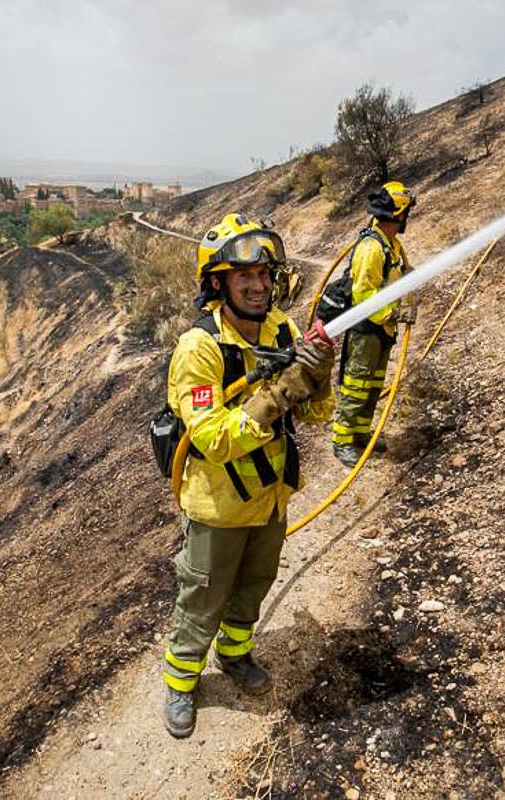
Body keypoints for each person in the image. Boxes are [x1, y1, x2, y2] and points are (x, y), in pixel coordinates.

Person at [162, 213, 335, 738]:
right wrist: (285, 389)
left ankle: (235, 655)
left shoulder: (282, 328)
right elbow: (213, 440)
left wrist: (319, 376)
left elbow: (315, 415)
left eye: (264, 274)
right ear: (218, 283)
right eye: (245, 277)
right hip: (218, 505)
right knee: (203, 597)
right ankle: (181, 682)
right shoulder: (199, 349)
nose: (259, 286)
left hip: (270, 495)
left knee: (255, 585)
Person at [330, 180, 417, 466]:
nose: (407, 218)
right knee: (356, 386)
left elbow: (399, 275)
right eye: (406, 213)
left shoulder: (392, 244)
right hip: (367, 330)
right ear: (399, 214)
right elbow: (363, 294)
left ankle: (361, 434)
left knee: (372, 386)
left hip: (383, 330)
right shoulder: (372, 247)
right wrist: (393, 315)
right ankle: (342, 441)